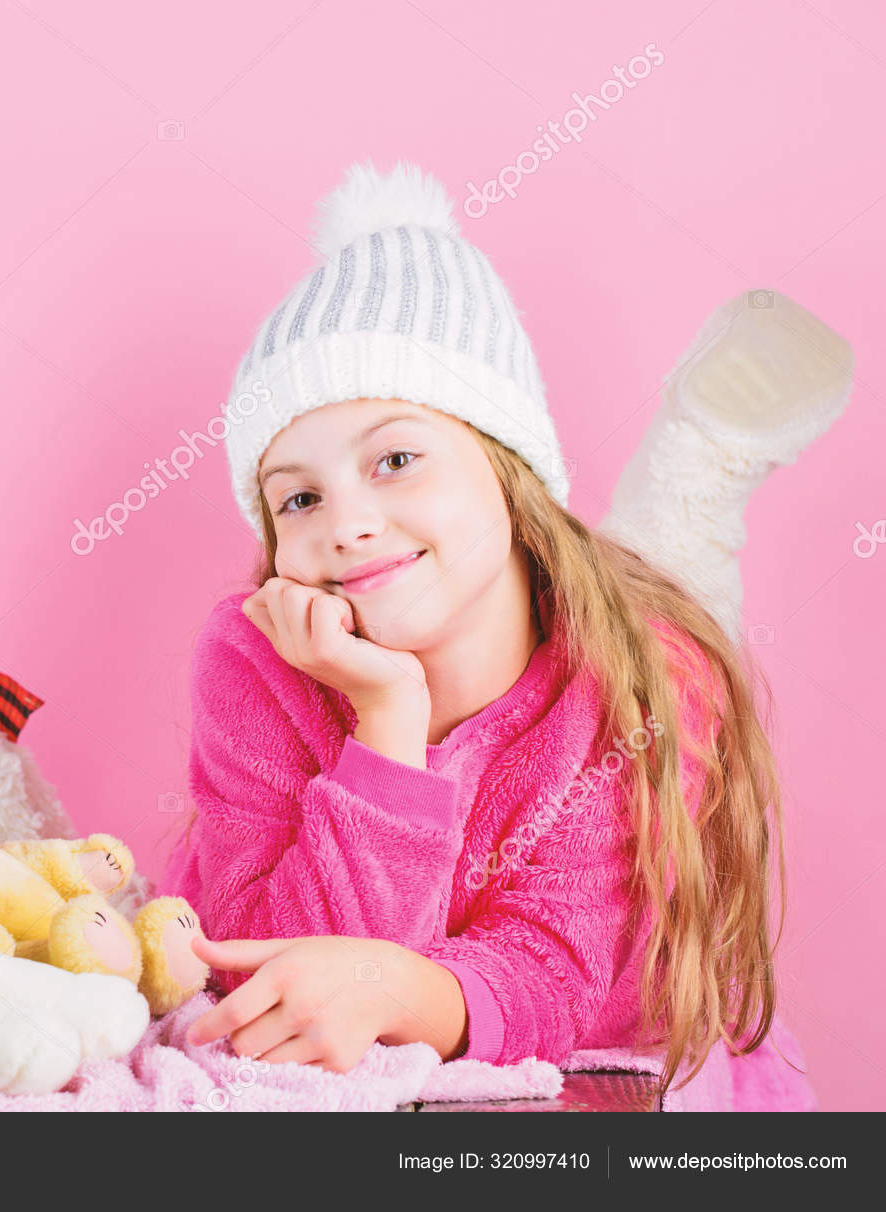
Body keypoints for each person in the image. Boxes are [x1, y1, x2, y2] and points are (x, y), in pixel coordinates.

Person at [160, 160, 816, 1108]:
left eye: (395, 459)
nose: (345, 523)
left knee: (664, 626)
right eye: (298, 497)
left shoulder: (633, 692)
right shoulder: (256, 656)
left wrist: (395, 986)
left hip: (607, 1064)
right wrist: (387, 721)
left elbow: (554, 972)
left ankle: (698, 475)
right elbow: (261, 972)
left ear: (507, 468)